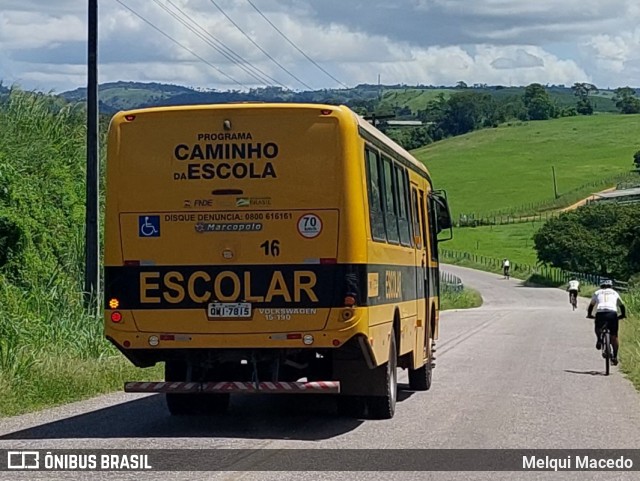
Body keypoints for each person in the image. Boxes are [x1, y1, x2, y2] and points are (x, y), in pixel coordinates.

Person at [587, 279, 626, 366]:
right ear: (611, 286)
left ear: (601, 286)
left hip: (600, 313)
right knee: (614, 336)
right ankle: (615, 357)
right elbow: (622, 305)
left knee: (597, 327)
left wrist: (589, 314)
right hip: (612, 313)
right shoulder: (614, 293)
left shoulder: (597, 292)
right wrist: (623, 315)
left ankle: (599, 340)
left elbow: (591, 305)